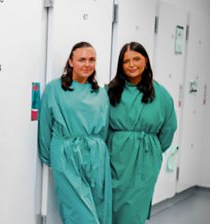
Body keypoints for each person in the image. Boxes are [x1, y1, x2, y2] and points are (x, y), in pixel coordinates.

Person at [38, 42, 112, 224]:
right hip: (65, 155)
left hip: (96, 156)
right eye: (82, 59)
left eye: (92, 60)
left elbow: (104, 128)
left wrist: (97, 151)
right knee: (80, 214)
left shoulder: (101, 93)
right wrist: (49, 157)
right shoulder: (54, 89)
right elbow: (45, 125)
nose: (87, 64)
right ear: (71, 62)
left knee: (99, 208)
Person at [107, 42, 177, 224]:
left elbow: (169, 127)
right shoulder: (111, 91)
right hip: (116, 159)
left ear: (145, 60)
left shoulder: (161, 94)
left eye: (136, 59)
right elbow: (102, 125)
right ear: (120, 65)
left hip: (146, 161)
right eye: (126, 61)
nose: (131, 65)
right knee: (113, 207)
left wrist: (153, 150)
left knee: (134, 211)